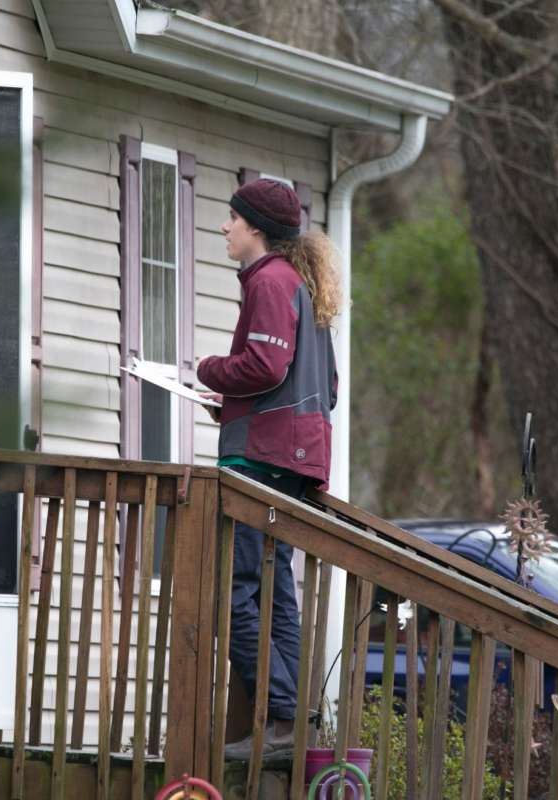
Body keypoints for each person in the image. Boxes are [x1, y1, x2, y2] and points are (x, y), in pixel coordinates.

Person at [196, 178, 340, 759]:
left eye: (231, 218)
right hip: (290, 455)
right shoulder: (299, 282)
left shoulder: (271, 280)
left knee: (231, 592)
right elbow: (323, 385)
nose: (225, 227)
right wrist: (234, 406)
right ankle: (293, 728)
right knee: (276, 596)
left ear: (254, 226)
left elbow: (262, 363)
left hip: (260, 460)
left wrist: (210, 371)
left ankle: (282, 717)